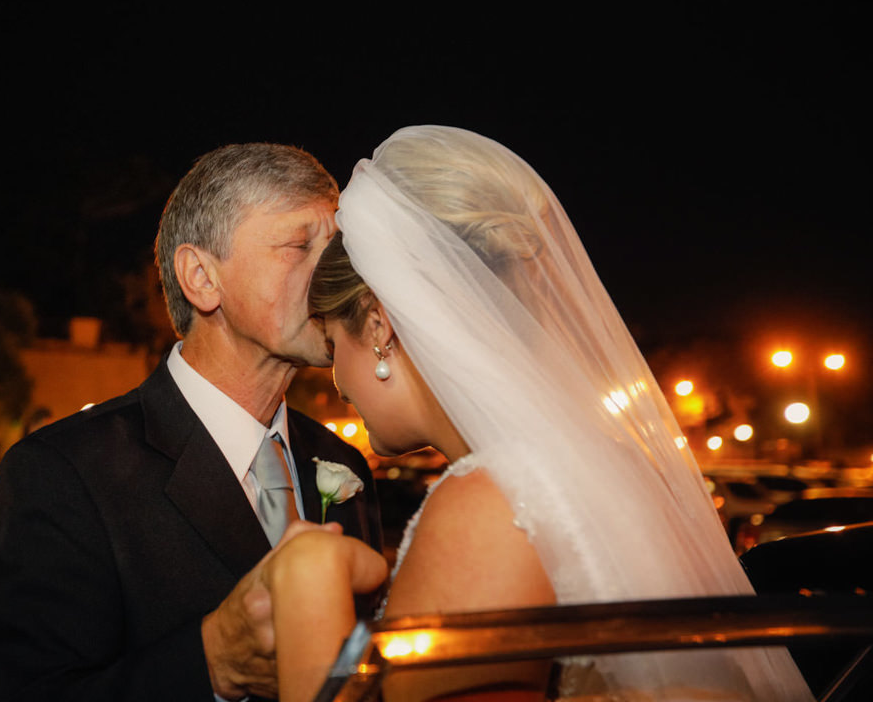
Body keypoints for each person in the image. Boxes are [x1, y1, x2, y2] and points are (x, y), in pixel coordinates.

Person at [263, 126, 813, 701]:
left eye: (332, 346)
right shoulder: (609, 465)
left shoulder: (491, 501)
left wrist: (306, 588)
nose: (338, 383)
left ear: (378, 327)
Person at [0, 142, 383, 701]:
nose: (333, 272)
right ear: (201, 277)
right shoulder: (63, 475)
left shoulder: (342, 466)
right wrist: (210, 664)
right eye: (299, 245)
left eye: (336, 248)